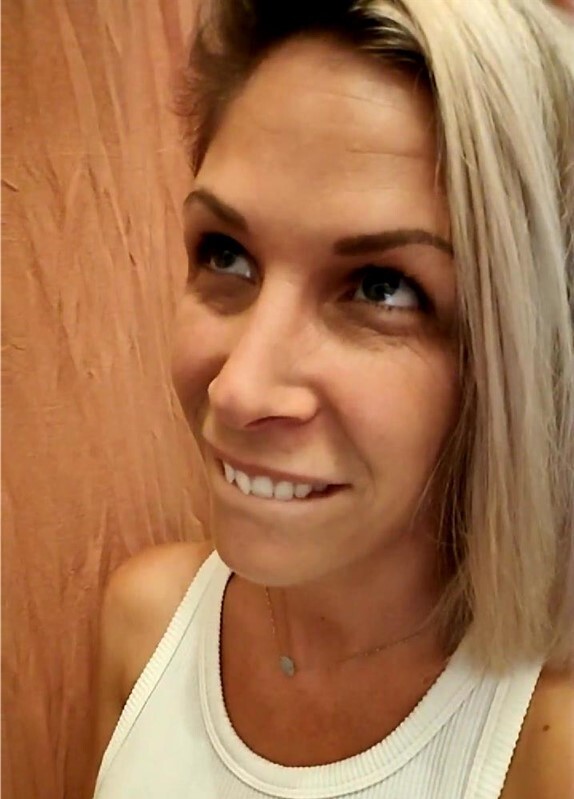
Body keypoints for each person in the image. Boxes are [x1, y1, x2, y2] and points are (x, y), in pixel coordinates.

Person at [91, 0, 574, 796]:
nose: (237, 389)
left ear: (523, 358)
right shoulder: (145, 626)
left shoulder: (547, 742)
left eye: (381, 287)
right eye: (226, 253)